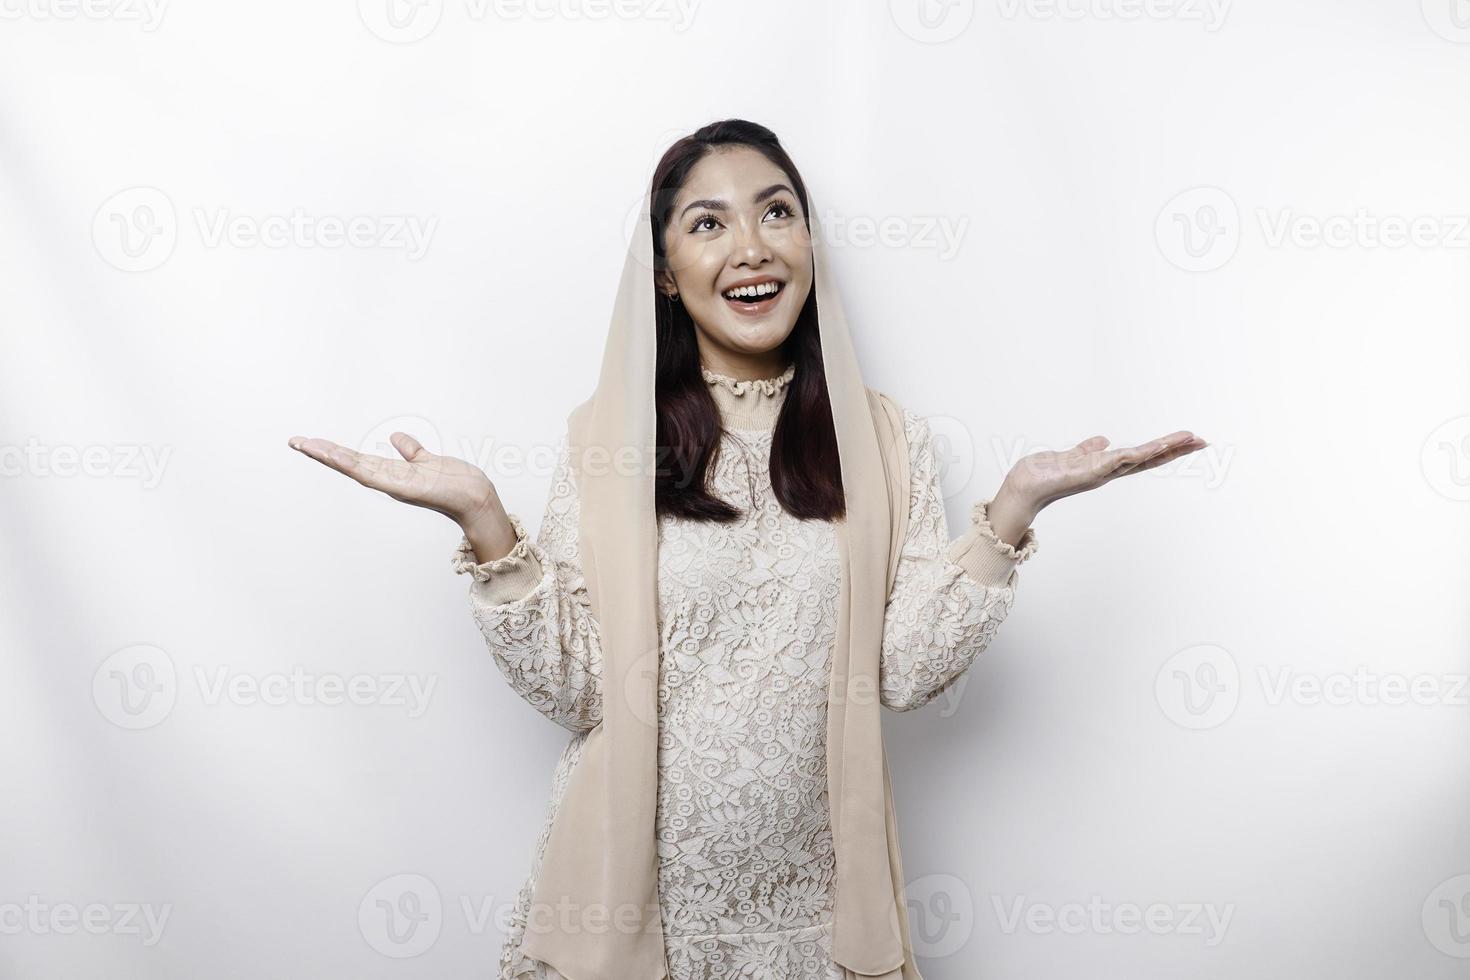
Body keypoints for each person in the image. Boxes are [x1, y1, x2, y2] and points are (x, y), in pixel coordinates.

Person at [288, 119, 1204, 980]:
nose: (752, 246)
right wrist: (483, 519)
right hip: (629, 903)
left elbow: (905, 670)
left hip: (811, 911)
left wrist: (1012, 510)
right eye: (708, 223)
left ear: (809, 243)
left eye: (777, 212)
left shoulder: (883, 438)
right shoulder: (612, 436)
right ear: (663, 270)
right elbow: (577, 687)